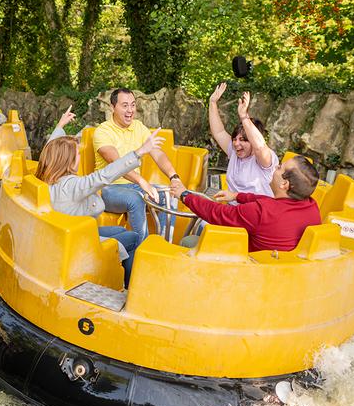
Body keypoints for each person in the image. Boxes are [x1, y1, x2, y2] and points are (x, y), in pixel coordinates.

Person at [35, 129, 166, 287]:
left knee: (123, 232)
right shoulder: (71, 186)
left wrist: (60, 125)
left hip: (70, 236)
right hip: (79, 245)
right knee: (133, 238)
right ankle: (133, 286)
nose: (80, 156)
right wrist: (140, 152)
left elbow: (49, 149)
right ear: (68, 161)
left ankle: (125, 274)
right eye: (77, 154)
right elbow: (104, 175)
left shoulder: (48, 178)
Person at [169, 156, 322, 253]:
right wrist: (237, 196)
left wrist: (185, 195)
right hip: (280, 270)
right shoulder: (312, 207)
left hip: (248, 272)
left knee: (189, 241)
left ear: (284, 184)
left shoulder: (262, 212)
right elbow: (269, 203)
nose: (275, 168)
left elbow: (217, 213)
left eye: (280, 167)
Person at [93, 88, 181, 243]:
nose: (130, 110)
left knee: (170, 196)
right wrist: (142, 182)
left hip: (135, 187)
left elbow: (158, 154)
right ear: (113, 108)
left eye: (133, 105)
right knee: (136, 199)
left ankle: (162, 246)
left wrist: (174, 177)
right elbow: (117, 163)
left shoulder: (139, 127)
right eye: (125, 105)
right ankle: (140, 253)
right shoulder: (103, 131)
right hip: (108, 189)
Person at [208, 82, 278, 197]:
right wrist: (212, 103)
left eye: (242, 139)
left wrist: (244, 117)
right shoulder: (234, 152)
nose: (236, 143)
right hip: (233, 209)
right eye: (235, 139)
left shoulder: (265, 160)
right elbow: (219, 132)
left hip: (256, 211)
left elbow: (259, 146)